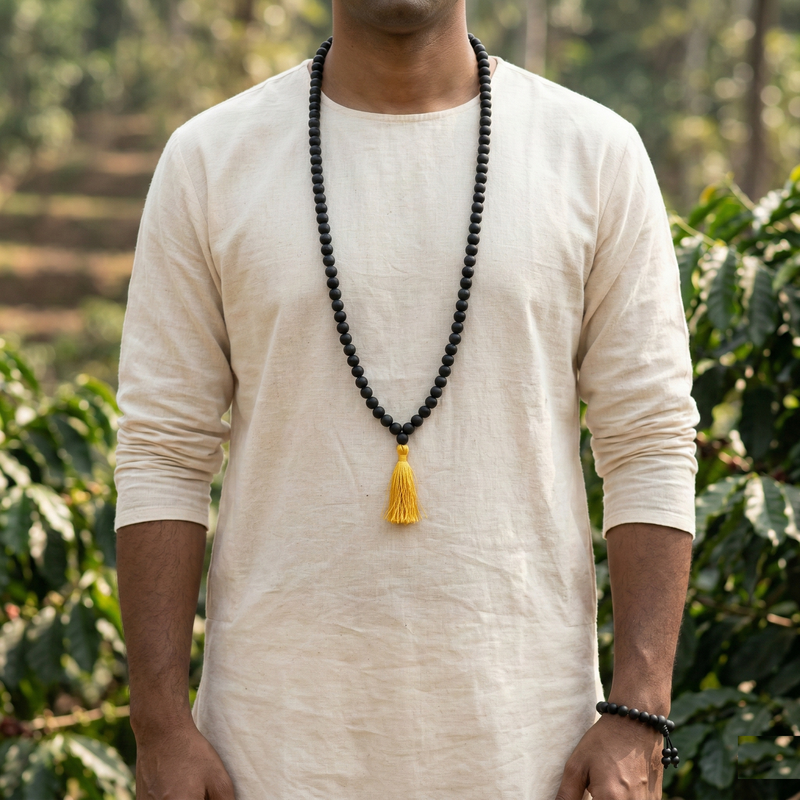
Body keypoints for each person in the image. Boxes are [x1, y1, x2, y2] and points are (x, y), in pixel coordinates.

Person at [113, 0, 698, 798]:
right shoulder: (209, 160)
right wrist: (160, 727)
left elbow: (650, 438)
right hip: (269, 752)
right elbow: (162, 451)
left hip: (532, 751)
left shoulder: (593, 154)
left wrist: (639, 712)